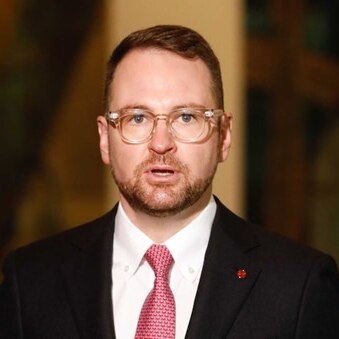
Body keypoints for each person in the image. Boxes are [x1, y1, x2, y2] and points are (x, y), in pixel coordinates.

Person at [0, 25, 338, 339]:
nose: (161, 143)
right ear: (105, 138)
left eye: (187, 117)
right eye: (137, 118)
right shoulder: (28, 282)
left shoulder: (299, 287)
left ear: (223, 136)